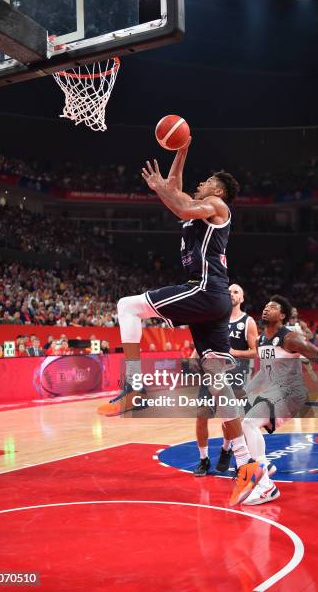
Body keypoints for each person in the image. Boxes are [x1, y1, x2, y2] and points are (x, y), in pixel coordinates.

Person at [104, 139, 266, 505]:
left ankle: (133, 387)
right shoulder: (199, 208)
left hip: (205, 290)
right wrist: (182, 149)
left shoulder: (216, 205)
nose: (202, 182)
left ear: (219, 190)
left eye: (208, 180)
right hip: (215, 301)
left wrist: (163, 188)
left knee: (127, 306)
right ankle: (247, 467)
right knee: (218, 381)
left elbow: (176, 199)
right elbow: (176, 194)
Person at [241, 295, 318, 505]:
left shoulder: (290, 338)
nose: (267, 308)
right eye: (265, 305)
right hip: (275, 392)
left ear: (282, 315)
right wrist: (246, 391)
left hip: (292, 393)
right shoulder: (261, 340)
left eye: (273, 307)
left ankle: (266, 487)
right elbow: (265, 374)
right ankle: (266, 466)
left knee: (249, 423)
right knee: (242, 423)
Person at [194, 283, 258, 476]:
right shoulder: (214, 320)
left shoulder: (248, 322)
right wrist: (193, 355)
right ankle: (204, 459)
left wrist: (234, 352)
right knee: (201, 415)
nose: (232, 294)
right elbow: (202, 343)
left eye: (236, 291)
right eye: (229, 291)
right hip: (211, 372)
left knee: (229, 419)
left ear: (242, 298)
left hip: (235, 374)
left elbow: (255, 352)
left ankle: (228, 449)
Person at [286, 306, 318, 382]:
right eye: (292, 311)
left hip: (300, 347)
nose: (293, 313)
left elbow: (311, 335)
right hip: (289, 347)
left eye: (294, 311)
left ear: (297, 313)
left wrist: (302, 335)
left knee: (306, 361)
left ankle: (311, 372)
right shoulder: (285, 324)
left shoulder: (301, 323)